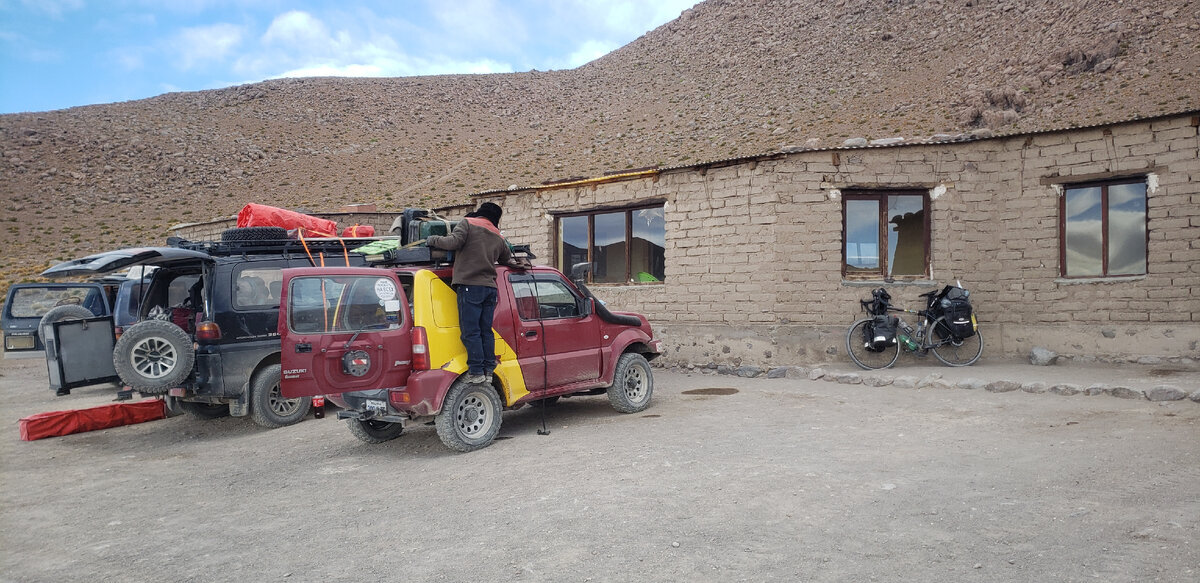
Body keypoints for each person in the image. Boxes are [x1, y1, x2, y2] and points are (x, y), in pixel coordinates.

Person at [426, 202, 527, 384]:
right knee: (485, 330)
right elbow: (505, 258)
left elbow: (452, 242)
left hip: (470, 285)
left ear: (480, 213)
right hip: (490, 288)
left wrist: (432, 240)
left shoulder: (467, 223)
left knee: (470, 331)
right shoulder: (498, 235)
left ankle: (476, 371)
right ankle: (488, 370)